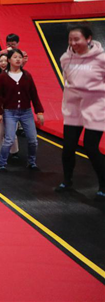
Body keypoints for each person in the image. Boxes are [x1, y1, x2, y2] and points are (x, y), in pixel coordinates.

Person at [56, 24, 105, 200]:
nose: (73, 43)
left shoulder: (101, 59)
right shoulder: (65, 59)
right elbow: (67, 81)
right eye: (70, 39)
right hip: (73, 109)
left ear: (88, 38)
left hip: (95, 108)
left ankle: (103, 185)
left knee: (91, 148)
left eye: (77, 39)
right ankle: (67, 181)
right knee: (68, 148)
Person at [0, 49, 44, 172]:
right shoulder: (3, 77)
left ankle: (31, 162)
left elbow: (34, 95)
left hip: (26, 112)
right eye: (15, 57)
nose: (18, 59)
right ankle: (2, 163)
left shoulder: (27, 76)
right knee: (9, 139)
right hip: (10, 112)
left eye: (20, 57)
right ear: (9, 60)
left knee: (33, 140)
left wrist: (39, 111)